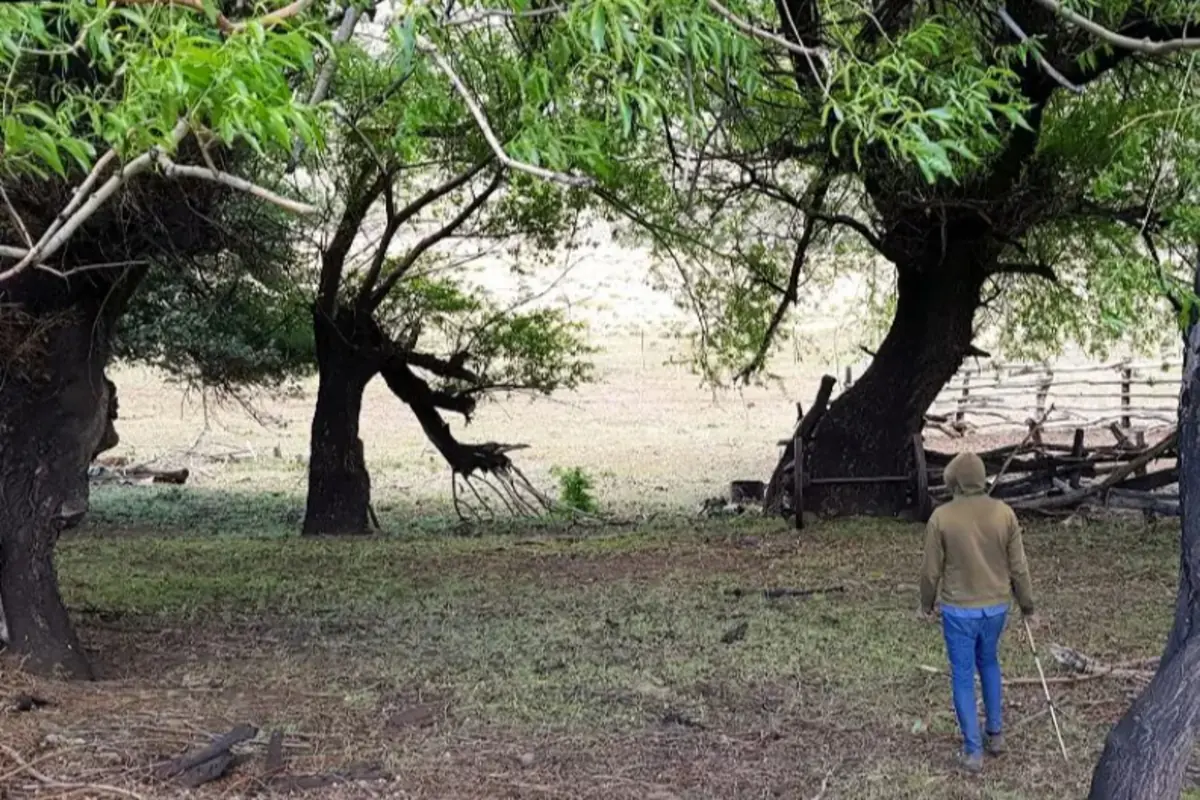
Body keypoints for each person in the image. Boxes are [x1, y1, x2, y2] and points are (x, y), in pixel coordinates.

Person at [918, 451, 1037, 773]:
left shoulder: (941, 517)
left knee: (962, 675)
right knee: (989, 662)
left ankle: (972, 750)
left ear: (953, 480)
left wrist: (925, 604)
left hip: (959, 610)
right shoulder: (1004, 513)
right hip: (997, 607)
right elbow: (1019, 567)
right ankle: (995, 734)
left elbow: (930, 571)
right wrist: (1027, 605)